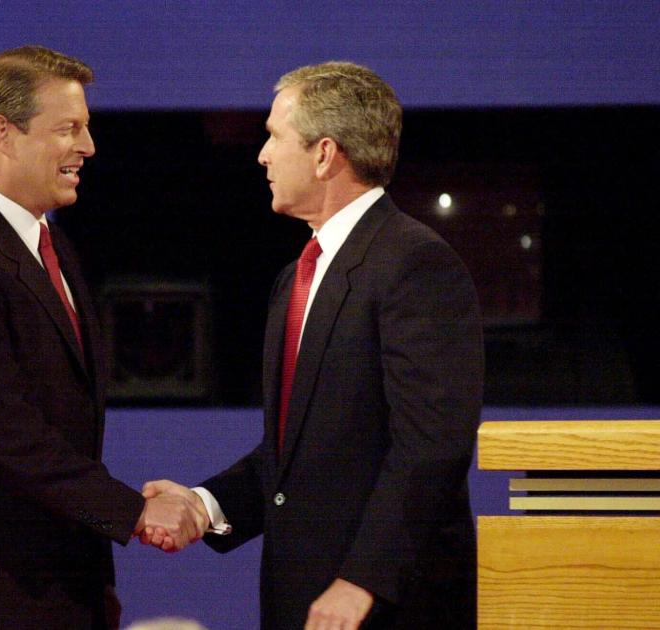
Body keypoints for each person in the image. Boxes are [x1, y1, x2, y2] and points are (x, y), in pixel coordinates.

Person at [142, 62, 483, 629]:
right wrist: (205, 506)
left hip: (385, 608)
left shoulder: (417, 264)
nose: (262, 156)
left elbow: (432, 448)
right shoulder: (296, 278)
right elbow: (296, 460)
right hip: (302, 601)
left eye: (274, 136)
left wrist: (362, 580)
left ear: (324, 154)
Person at [0, 46, 207, 629]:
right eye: (69, 129)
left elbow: (68, 435)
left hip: (55, 593)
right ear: (2, 132)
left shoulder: (47, 246)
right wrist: (134, 512)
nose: (88, 147)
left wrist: (96, 585)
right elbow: (0, 431)